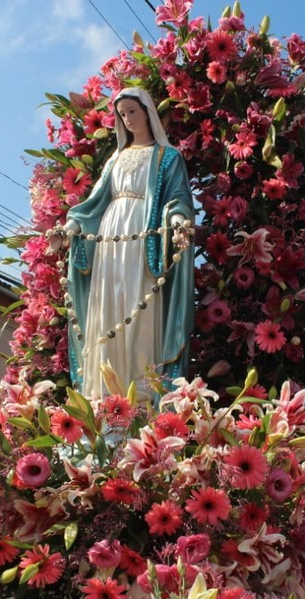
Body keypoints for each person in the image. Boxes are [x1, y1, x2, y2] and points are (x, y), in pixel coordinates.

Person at [64, 87, 195, 399]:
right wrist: (70, 225)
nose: (128, 119)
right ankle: (102, 395)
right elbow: (94, 202)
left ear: (147, 111)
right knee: (107, 306)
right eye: (122, 114)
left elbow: (177, 197)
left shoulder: (167, 156)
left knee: (139, 305)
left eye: (132, 111)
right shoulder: (116, 158)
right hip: (110, 235)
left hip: (144, 235)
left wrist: (177, 220)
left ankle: (140, 396)